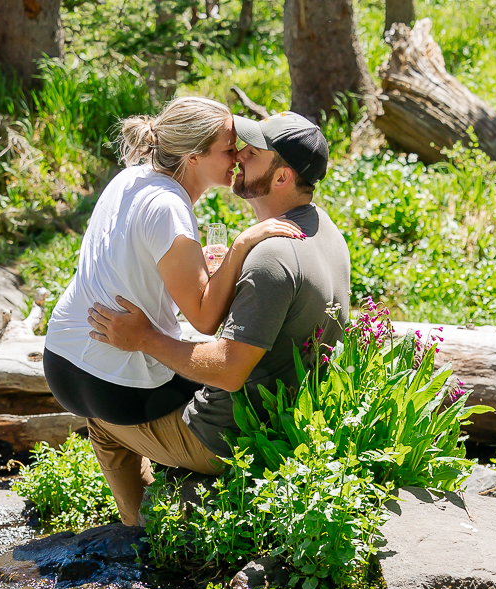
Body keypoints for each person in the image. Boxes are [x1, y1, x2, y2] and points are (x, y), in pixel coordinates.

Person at [87, 111, 351, 526]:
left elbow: (228, 373)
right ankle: (172, 498)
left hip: (228, 437)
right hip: (285, 421)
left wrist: (144, 338)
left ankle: (139, 534)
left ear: (281, 178)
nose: (239, 156)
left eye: (253, 153)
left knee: (101, 420)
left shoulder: (271, 258)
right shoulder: (325, 232)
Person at [43, 96, 304, 479]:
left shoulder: (132, 176)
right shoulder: (169, 209)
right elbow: (204, 319)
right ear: (193, 157)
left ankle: (134, 524)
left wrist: (205, 269)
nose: (239, 157)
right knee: (224, 392)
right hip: (113, 380)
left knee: (174, 377)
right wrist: (240, 247)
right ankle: (177, 507)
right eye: (229, 150)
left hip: (61, 358)